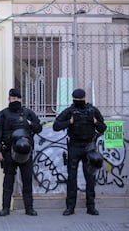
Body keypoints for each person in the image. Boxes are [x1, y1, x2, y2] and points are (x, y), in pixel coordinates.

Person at [53, 88, 107, 216]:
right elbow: (56, 126)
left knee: (90, 178)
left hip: (89, 147)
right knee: (72, 178)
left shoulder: (92, 111)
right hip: (74, 147)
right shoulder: (69, 111)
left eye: (79, 99)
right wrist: (69, 122)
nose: (78, 101)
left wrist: (95, 122)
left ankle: (91, 207)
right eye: (76, 100)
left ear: (84, 98)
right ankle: (70, 207)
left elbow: (103, 127)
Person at [0, 88, 42, 216]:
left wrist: (31, 123)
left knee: (27, 181)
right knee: (8, 181)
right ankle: (5, 208)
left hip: (26, 153)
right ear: (9, 99)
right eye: (13, 99)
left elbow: (38, 128)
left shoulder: (28, 113)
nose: (15, 101)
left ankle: (29, 208)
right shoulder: (3, 114)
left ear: (21, 99)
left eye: (17, 99)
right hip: (9, 152)